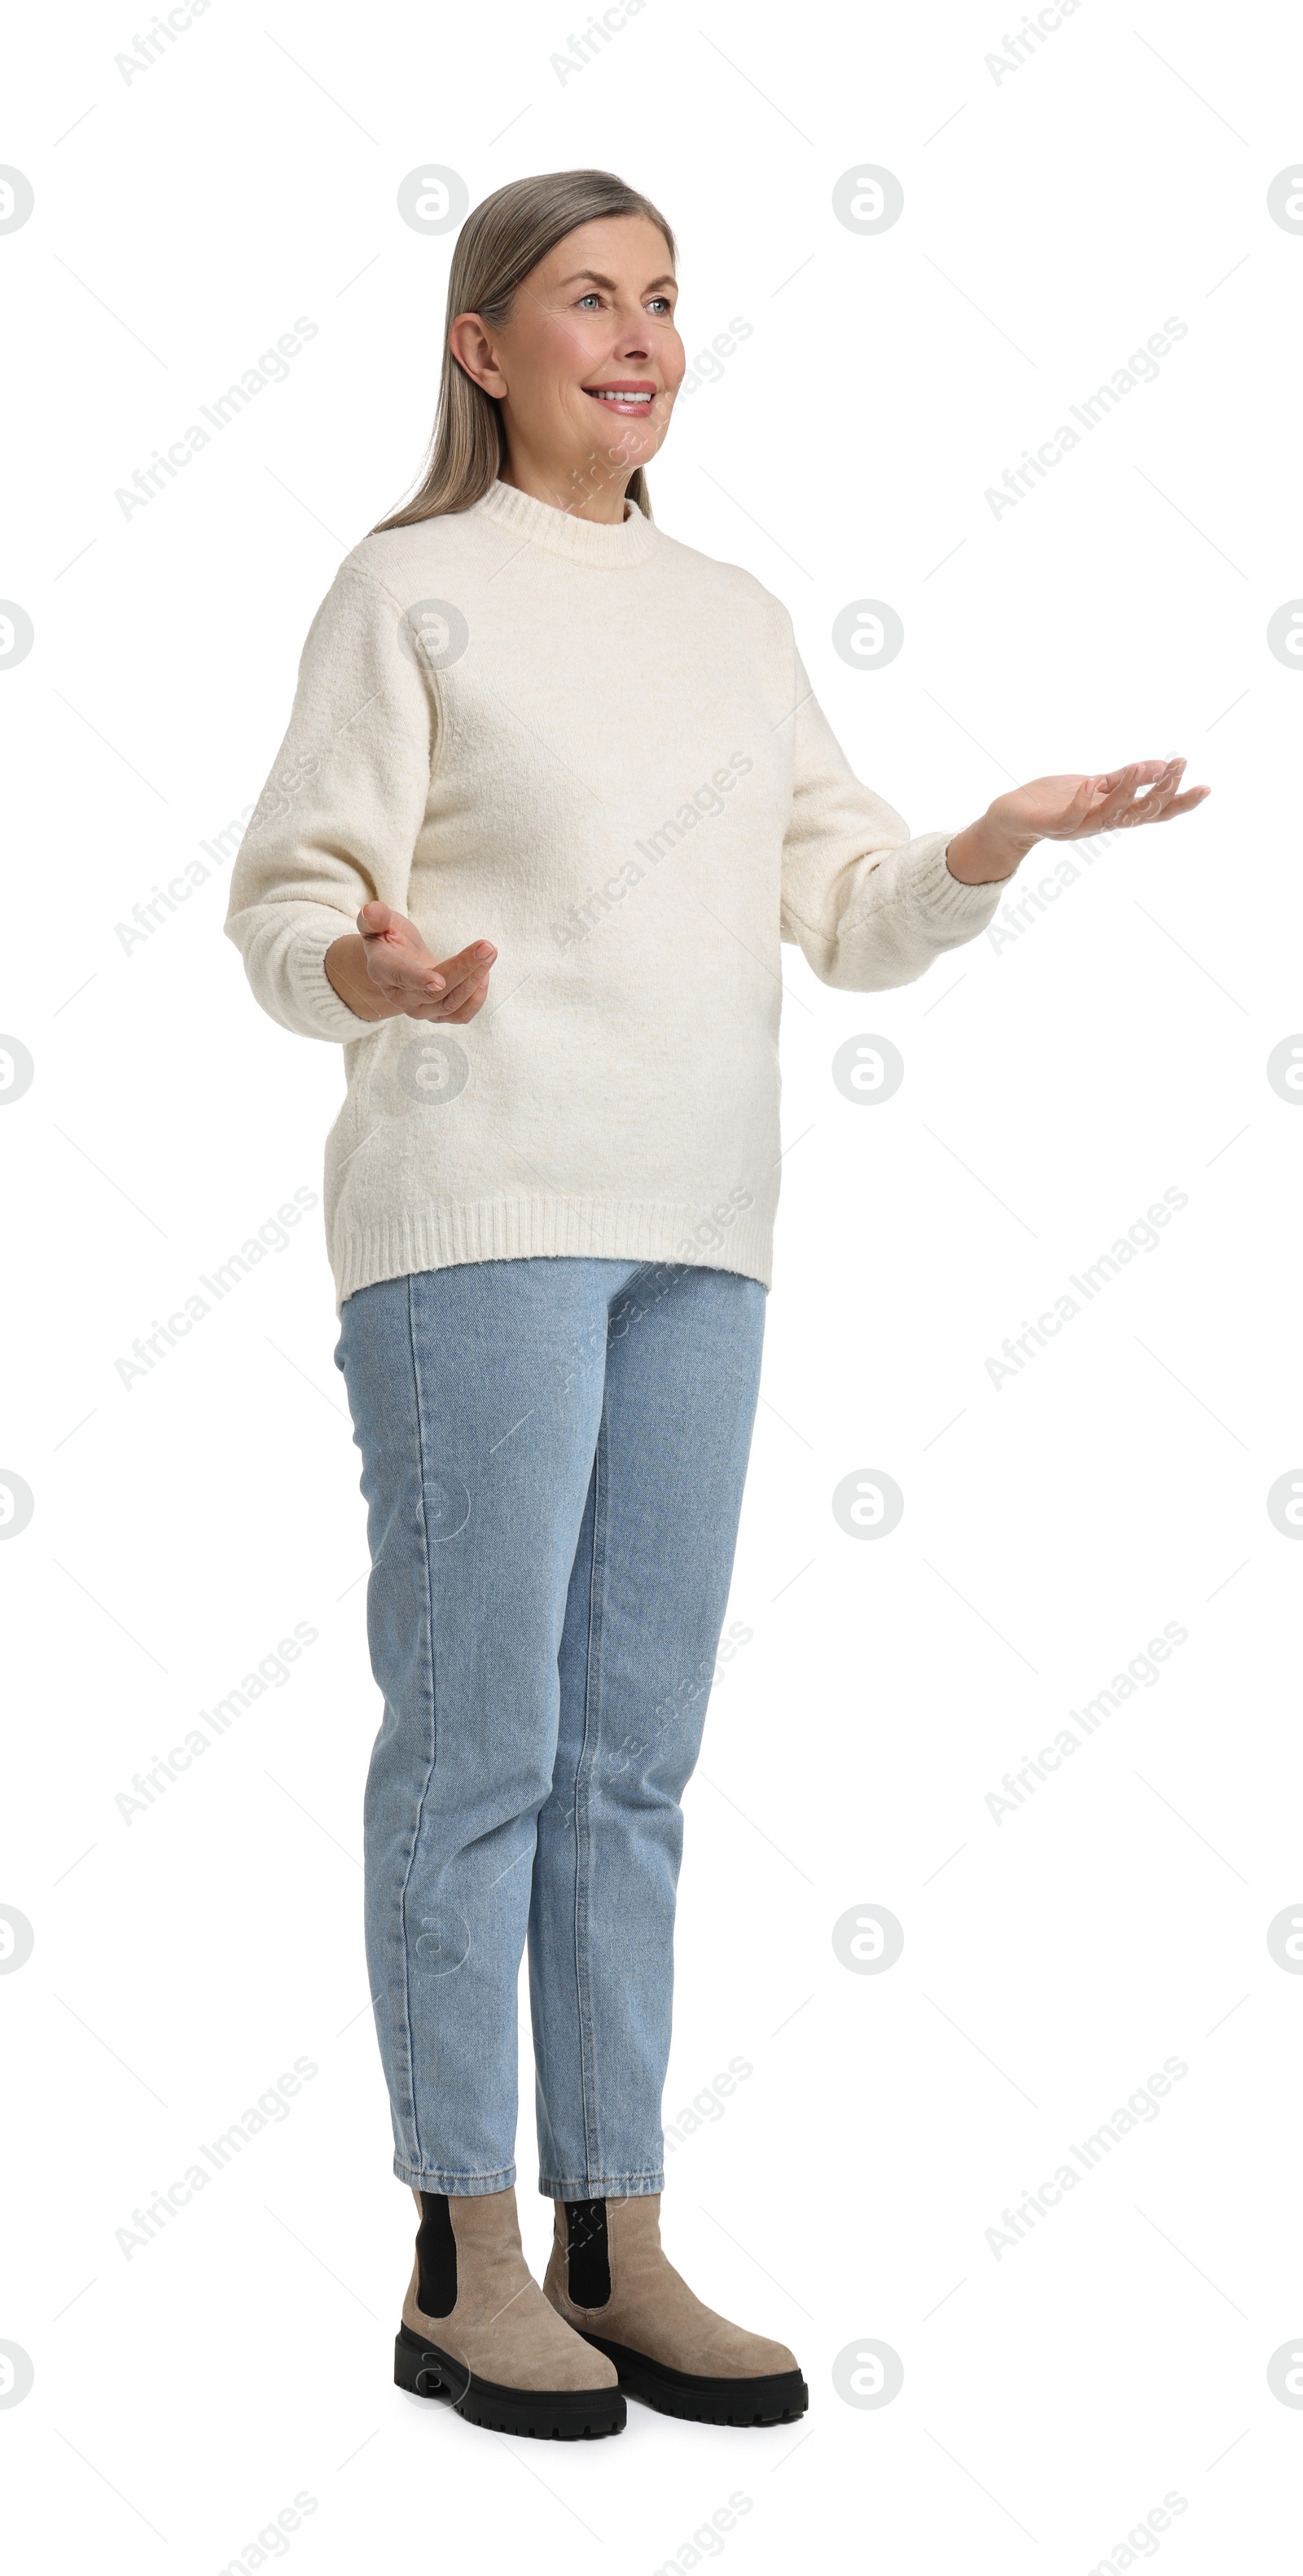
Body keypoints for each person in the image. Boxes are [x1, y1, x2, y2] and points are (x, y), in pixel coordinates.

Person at [224, 168, 1209, 2442]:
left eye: (666, 296)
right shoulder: (412, 595)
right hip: (476, 1209)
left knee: (631, 1758)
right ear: (482, 346)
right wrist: (363, 964)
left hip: (706, 1228)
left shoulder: (739, 615)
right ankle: (462, 2242)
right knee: (477, 1744)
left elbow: (847, 907)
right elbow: (285, 902)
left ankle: (617, 2227)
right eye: (589, 296)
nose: (642, 331)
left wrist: (986, 840)